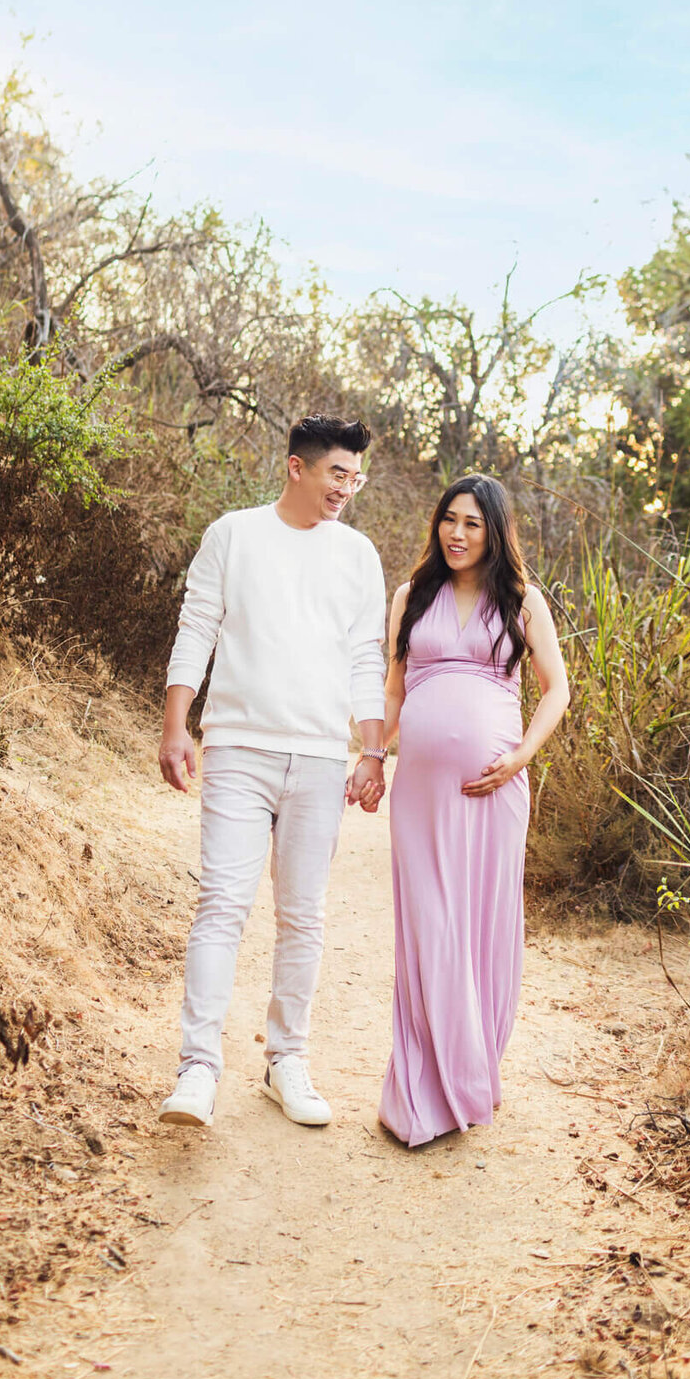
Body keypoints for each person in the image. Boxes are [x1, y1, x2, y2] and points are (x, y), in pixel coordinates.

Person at [157, 414, 388, 1131]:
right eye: (336, 474)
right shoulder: (233, 534)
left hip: (320, 757)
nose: (347, 488)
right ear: (297, 468)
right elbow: (196, 625)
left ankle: (286, 1060)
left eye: (356, 477)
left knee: (303, 916)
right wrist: (176, 724)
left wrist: (372, 750)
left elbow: (363, 659)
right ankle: (198, 1069)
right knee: (222, 905)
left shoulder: (357, 555)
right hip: (236, 748)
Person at [378, 475, 569, 1147]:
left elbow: (556, 691)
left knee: (480, 923)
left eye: (472, 524)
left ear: (495, 533)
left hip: (496, 790)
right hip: (420, 796)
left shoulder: (523, 601)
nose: (456, 534)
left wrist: (520, 757)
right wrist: (373, 756)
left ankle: (469, 1073)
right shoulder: (411, 597)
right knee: (428, 923)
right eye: (448, 520)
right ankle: (417, 1090)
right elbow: (394, 691)